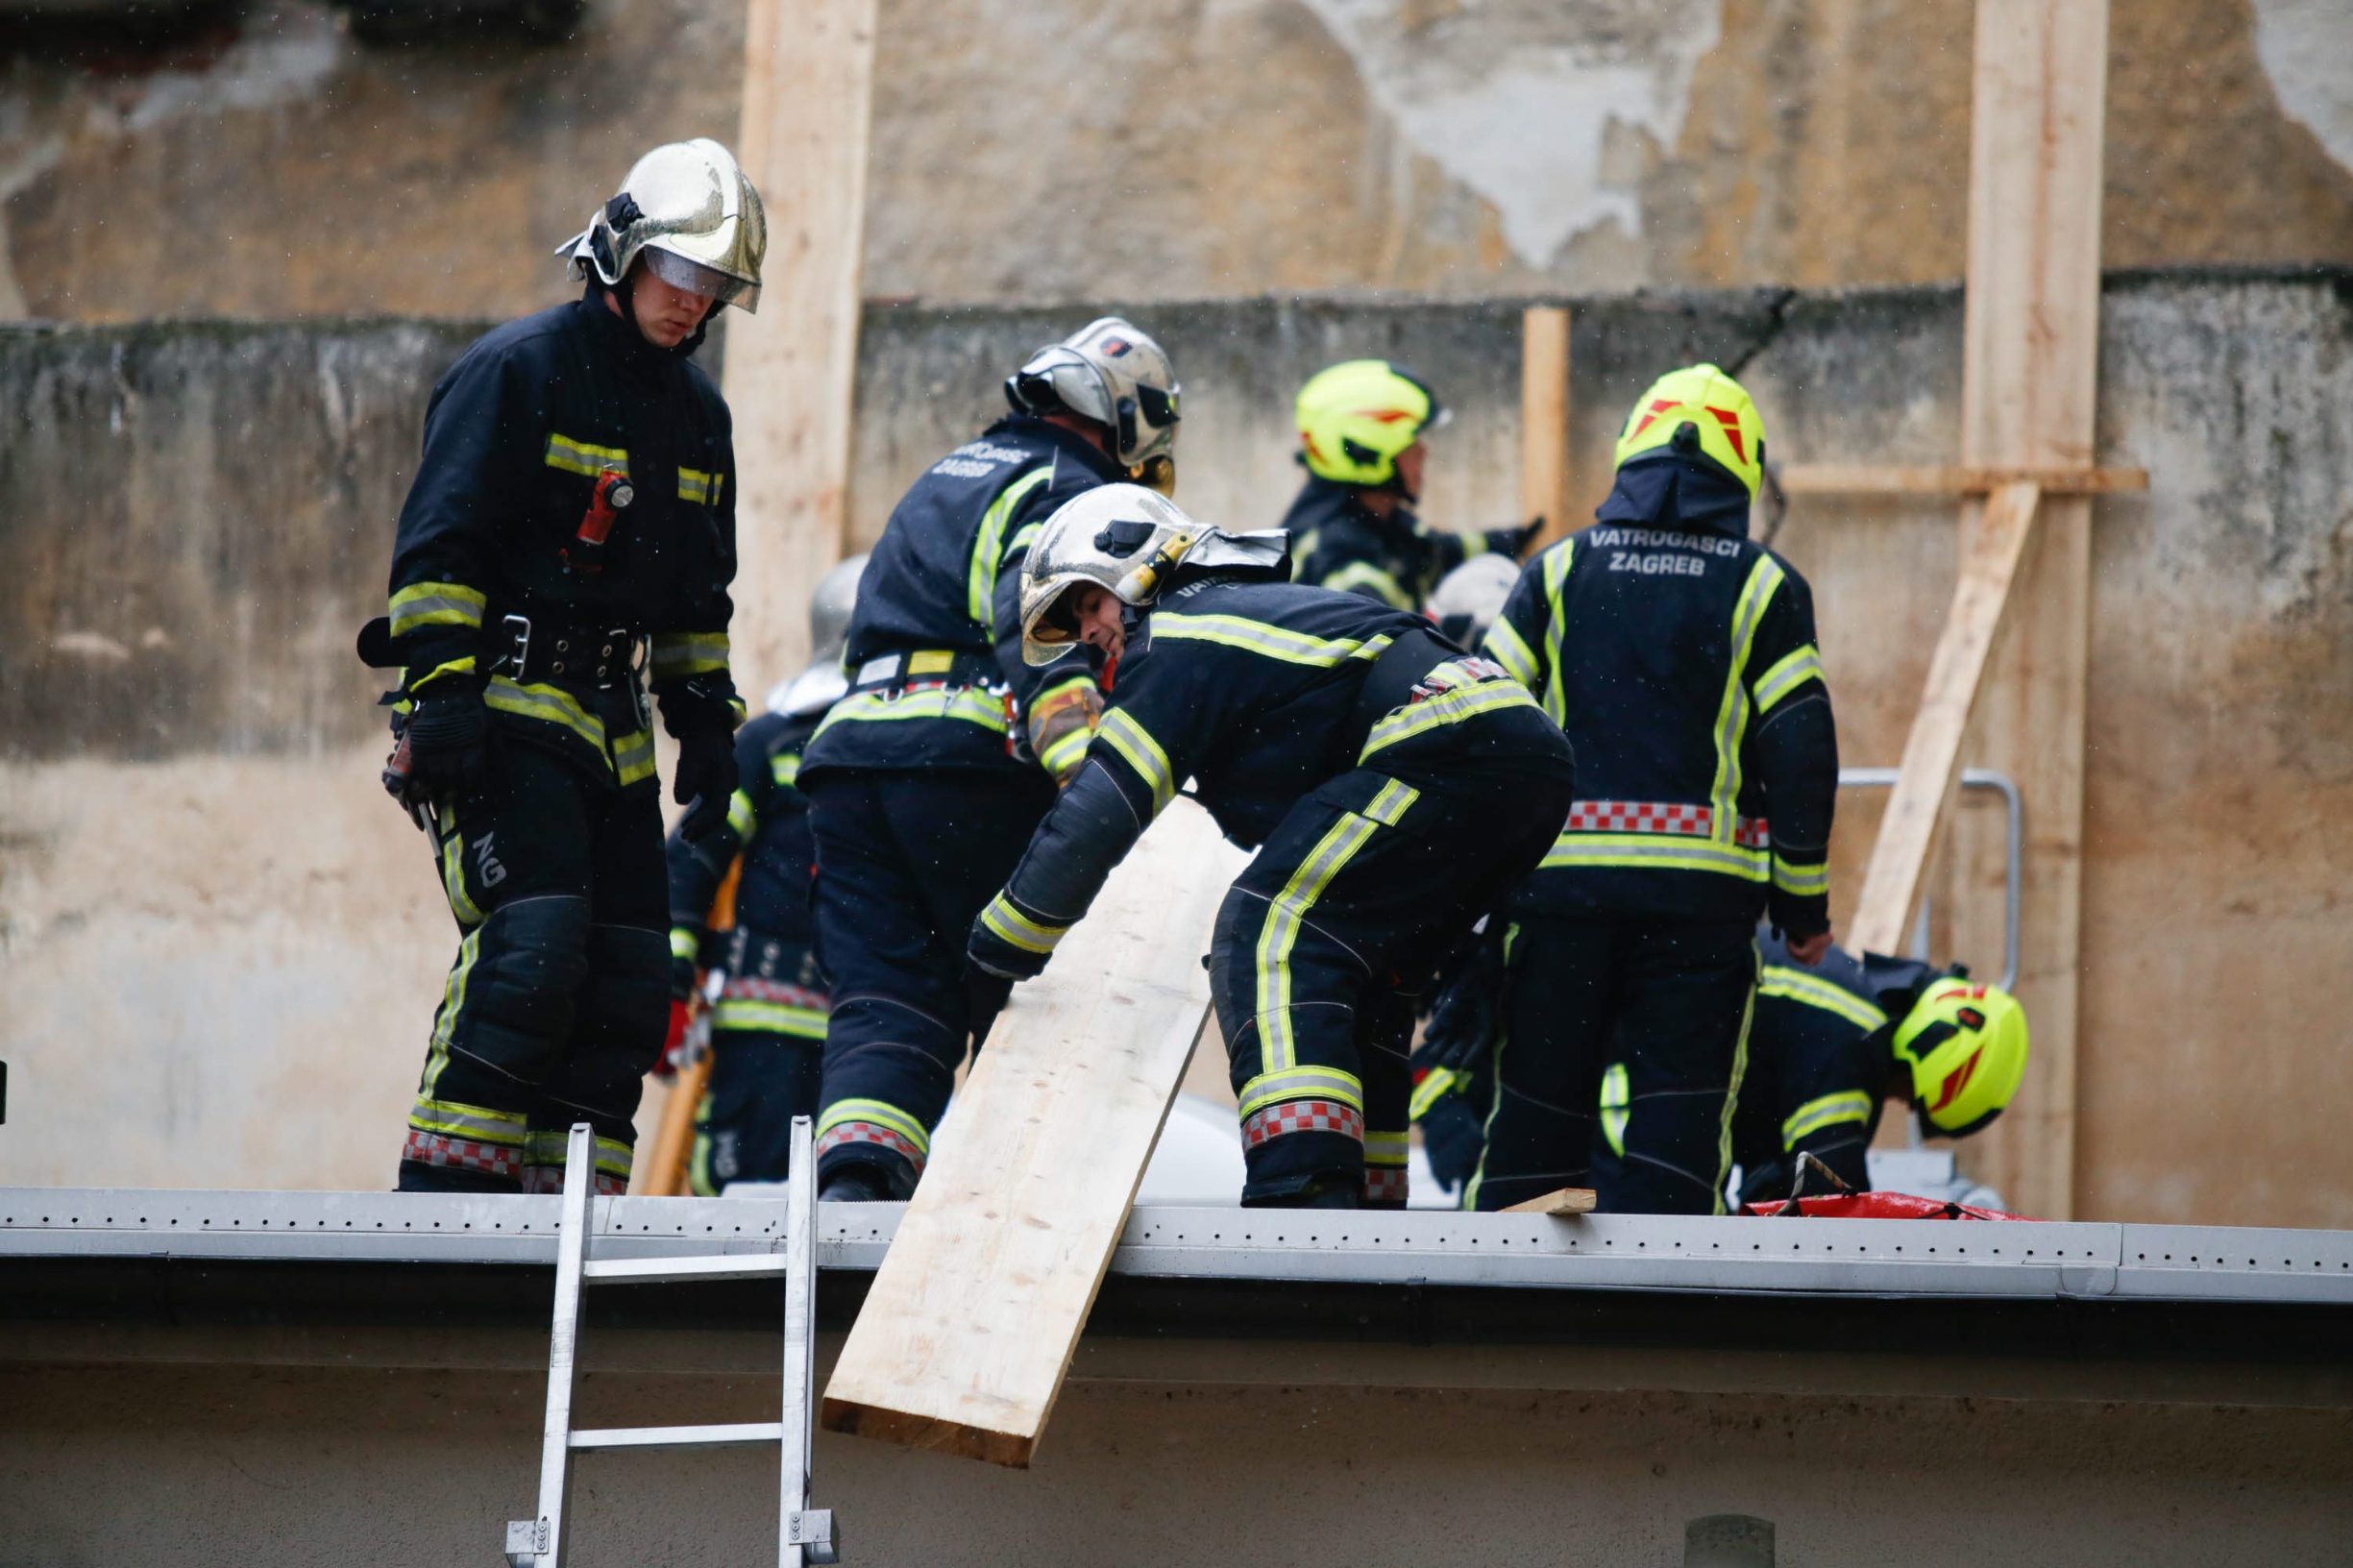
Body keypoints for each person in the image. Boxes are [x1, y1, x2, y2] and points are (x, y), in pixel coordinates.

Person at [965, 485, 1576, 1209]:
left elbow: (1098, 812)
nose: (1090, 630)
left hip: (1442, 745)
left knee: (1267, 936)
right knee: (1363, 976)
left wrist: (999, 947)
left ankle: (1302, 1190)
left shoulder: (1178, 636)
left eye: (1087, 603)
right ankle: (1371, 1196)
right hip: (1514, 752)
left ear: (1131, 559)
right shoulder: (1241, 622)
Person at [374, 139, 762, 1194]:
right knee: (533, 950)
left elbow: (695, 597)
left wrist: (707, 723)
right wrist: (442, 699)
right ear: (623, 254)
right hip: (496, 712)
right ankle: (451, 1207)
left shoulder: (697, 418)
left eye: (715, 286)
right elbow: (438, 552)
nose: (694, 304)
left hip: (612, 733)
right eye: (681, 275)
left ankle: (565, 1214)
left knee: (630, 979)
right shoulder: (517, 371)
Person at [798, 320, 1182, 1202]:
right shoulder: (1065, 484)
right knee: (1037, 1003)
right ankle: (1016, 1218)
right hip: (966, 773)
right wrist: (1097, 781)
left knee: (888, 1000)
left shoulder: (949, 472)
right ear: (1130, 419)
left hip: (852, 768)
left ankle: (857, 1195)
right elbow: (1039, 619)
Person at [1466, 363, 1839, 1215]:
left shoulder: (1554, 573)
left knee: (1535, 1114)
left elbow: (1478, 726)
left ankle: (1498, 1321)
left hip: (1557, 903)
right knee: (1679, 1125)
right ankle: (1670, 1329)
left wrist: (1474, 889)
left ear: (1630, 454)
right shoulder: (1762, 584)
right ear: (1742, 470)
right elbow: (1799, 748)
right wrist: (1803, 906)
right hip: (1699, 913)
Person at [662, 556, 866, 1192]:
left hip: (862, 1036)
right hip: (761, 1032)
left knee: (846, 1204)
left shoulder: (894, 751)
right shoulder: (773, 744)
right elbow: (694, 858)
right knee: (741, 1202)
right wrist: (669, 983)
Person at [1721, 933, 2029, 1205]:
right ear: (1927, 1048)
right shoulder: (1857, 1039)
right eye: (1910, 1095)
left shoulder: (1844, 998)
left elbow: (1774, 1181)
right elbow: (1827, 1202)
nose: (1898, 1101)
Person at [1283, 359, 1536, 609]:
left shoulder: (1381, 525)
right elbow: (1378, 635)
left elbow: (1440, 553)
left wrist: (1513, 541)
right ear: (1368, 451)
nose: (1424, 451)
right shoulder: (1340, 558)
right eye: (1412, 439)